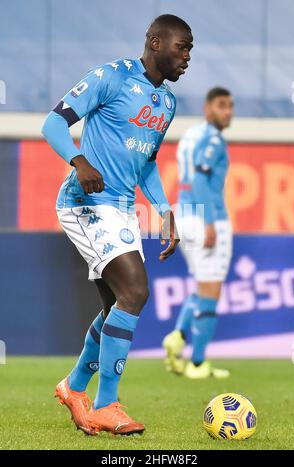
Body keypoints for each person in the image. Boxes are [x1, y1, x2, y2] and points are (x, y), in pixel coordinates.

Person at [42, 14, 193, 436]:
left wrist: (163, 210)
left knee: (115, 308)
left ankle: (74, 387)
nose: (187, 58)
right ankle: (107, 403)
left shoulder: (167, 103)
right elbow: (53, 122)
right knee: (135, 291)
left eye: (190, 51)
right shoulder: (111, 77)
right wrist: (79, 160)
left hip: (122, 209)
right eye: (182, 48)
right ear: (156, 42)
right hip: (85, 202)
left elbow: (146, 162)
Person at [163, 87, 234, 380]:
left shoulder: (190, 136)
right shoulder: (213, 139)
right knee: (211, 292)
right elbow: (202, 181)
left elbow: (187, 179)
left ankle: (177, 336)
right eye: (221, 106)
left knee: (202, 287)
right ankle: (197, 364)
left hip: (184, 215)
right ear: (208, 109)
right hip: (205, 217)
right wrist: (209, 222)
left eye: (230, 106)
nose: (227, 112)